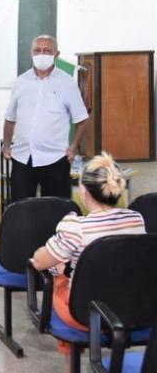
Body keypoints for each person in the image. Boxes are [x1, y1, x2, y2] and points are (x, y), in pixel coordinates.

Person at [32, 152, 146, 365]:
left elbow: (39, 262)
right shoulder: (136, 219)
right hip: (133, 307)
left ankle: (71, 361)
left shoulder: (76, 228)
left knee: (59, 274)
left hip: (86, 314)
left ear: (83, 191)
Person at [3, 35, 89, 202]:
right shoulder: (21, 82)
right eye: (37, 50)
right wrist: (7, 144)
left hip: (55, 159)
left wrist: (73, 148)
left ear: (56, 54)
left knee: (57, 212)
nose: (41, 54)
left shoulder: (67, 83)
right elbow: (10, 117)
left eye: (47, 50)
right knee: (21, 210)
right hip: (22, 158)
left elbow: (81, 119)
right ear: (31, 53)